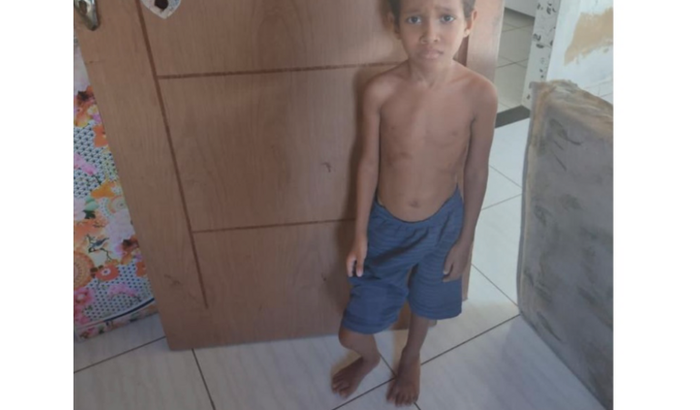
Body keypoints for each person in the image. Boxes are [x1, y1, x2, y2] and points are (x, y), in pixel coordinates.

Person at [330, 0, 497, 406]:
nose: (430, 34)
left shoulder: (480, 94)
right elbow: (368, 163)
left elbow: (476, 171)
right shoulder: (380, 90)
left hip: (445, 222)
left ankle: (411, 355)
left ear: (469, 22)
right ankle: (369, 358)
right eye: (415, 18)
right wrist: (360, 234)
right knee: (352, 331)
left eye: (446, 17)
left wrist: (465, 239)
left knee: (428, 299)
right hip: (386, 225)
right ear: (394, 24)